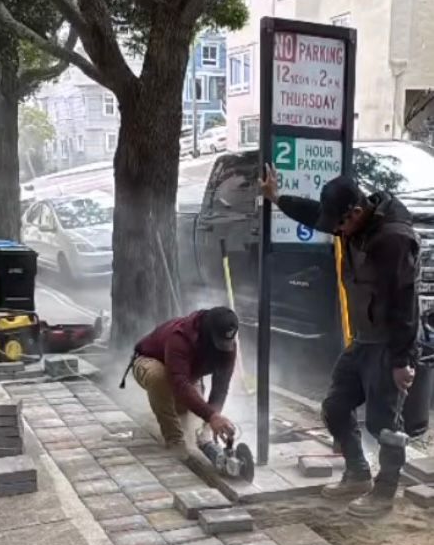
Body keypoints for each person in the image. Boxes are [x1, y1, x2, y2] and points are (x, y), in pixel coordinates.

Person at [259, 166, 420, 517]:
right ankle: (358, 472)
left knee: (385, 424)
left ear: (356, 212)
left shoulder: (392, 239)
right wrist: (277, 198)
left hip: (390, 340)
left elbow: (404, 302)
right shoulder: (352, 221)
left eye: (339, 225)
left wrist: (402, 360)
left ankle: (384, 494)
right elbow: (314, 214)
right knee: (335, 405)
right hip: (365, 336)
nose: (335, 231)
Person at [122, 307, 238, 456]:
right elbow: (180, 384)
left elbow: (220, 388)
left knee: (190, 421)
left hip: (184, 375)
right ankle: (174, 440)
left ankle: (175, 420)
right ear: (206, 331)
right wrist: (212, 416)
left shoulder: (228, 347)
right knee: (159, 377)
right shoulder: (180, 337)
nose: (221, 347)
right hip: (149, 361)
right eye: (217, 342)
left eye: (225, 342)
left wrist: (209, 426)